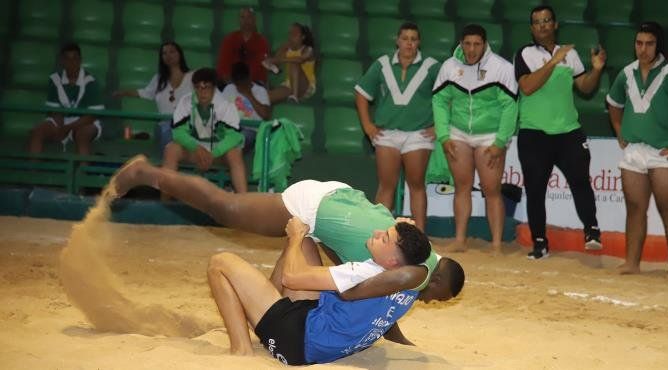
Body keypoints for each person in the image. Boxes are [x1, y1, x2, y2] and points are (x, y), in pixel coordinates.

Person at [109, 155, 463, 305]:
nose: (433, 302)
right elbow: (355, 293)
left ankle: (268, 310)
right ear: (435, 281)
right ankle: (147, 174)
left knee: (335, 254)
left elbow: (363, 272)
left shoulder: (422, 248)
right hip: (313, 206)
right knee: (225, 207)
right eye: (440, 297)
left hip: (340, 202)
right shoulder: (416, 275)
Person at [207, 215, 461, 364]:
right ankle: (262, 317)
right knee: (306, 245)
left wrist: (295, 235)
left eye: (384, 237)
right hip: (320, 331)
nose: (376, 232)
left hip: (296, 339)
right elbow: (410, 247)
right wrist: (402, 225)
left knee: (220, 263)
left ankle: (241, 348)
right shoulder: (411, 285)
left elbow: (293, 278)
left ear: (394, 260)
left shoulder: (361, 274)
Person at [606, 22, 668, 280]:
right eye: (639, 43)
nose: (643, 49)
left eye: (649, 43)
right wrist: (618, 130)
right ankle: (631, 263)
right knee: (634, 208)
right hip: (634, 150)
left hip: (664, 153)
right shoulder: (626, 73)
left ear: (659, 45)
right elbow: (613, 104)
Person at [513, 5, 607, 259]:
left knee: (580, 182)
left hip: (568, 132)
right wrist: (553, 62)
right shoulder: (524, 54)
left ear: (555, 25)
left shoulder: (571, 54)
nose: (543, 25)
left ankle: (592, 231)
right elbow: (528, 87)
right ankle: (540, 243)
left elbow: (585, 88)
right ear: (532, 28)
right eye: (537, 22)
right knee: (535, 190)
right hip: (534, 133)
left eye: (547, 21)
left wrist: (596, 70)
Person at [432, 24, 519, 254]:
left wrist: (500, 142)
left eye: (477, 44)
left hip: (490, 136)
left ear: (485, 44)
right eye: (467, 44)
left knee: (491, 189)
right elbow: (439, 102)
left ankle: (497, 244)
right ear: (461, 43)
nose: (471, 49)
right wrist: (443, 136)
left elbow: (510, 107)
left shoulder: (501, 68)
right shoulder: (449, 67)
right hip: (458, 133)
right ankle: (460, 240)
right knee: (462, 186)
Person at [355, 22, 439, 231]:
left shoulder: (431, 66)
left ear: (419, 42)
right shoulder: (382, 64)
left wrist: (439, 126)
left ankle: (420, 235)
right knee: (386, 186)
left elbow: (448, 97)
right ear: (397, 40)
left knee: (416, 185)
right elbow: (361, 93)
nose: (409, 43)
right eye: (405, 38)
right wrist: (367, 125)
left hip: (419, 134)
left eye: (413, 39)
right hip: (387, 133)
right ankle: (377, 232)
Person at [165, 68, 247, 193]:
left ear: (214, 88)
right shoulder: (186, 102)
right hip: (194, 150)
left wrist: (213, 153)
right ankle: (165, 202)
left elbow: (235, 136)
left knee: (235, 153)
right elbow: (177, 132)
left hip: (218, 153)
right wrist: (196, 148)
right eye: (198, 87)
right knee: (171, 149)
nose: (201, 92)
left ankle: (244, 202)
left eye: (206, 87)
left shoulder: (225, 105)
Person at [113, 41, 193, 154]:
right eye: (164, 53)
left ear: (180, 54)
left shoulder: (193, 77)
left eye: (172, 52)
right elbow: (144, 92)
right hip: (165, 124)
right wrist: (124, 93)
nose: (168, 55)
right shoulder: (158, 79)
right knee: (166, 131)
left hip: (187, 124)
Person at [28, 43, 104, 155]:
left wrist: (68, 128)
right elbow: (54, 111)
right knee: (37, 132)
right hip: (61, 120)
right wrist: (61, 127)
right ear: (62, 61)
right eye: (67, 59)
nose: (71, 63)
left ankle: (82, 171)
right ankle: (32, 171)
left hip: (84, 122)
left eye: (75, 58)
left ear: (80, 60)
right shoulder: (55, 79)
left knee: (82, 136)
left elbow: (91, 116)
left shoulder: (91, 81)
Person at [221, 62, 271, 152]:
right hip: (231, 128)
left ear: (249, 77)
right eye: (238, 83)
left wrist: (249, 95)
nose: (240, 86)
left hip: (252, 130)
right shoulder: (229, 89)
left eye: (243, 82)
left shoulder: (260, 91)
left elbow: (265, 115)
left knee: (239, 140)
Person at [264, 23, 316, 104]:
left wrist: (279, 60)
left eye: (295, 34)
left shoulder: (308, 49)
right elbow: (275, 65)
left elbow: (300, 60)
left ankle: (294, 97)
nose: (291, 36)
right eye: (290, 33)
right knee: (266, 98)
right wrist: (269, 62)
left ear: (302, 37)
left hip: (306, 86)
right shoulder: (286, 47)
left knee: (293, 63)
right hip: (289, 84)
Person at [216, 7, 270, 84]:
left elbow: (260, 69)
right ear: (239, 20)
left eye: (249, 17)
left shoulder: (262, 42)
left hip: (254, 84)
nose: (246, 21)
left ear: (254, 20)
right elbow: (223, 67)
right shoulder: (229, 39)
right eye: (242, 17)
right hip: (231, 83)